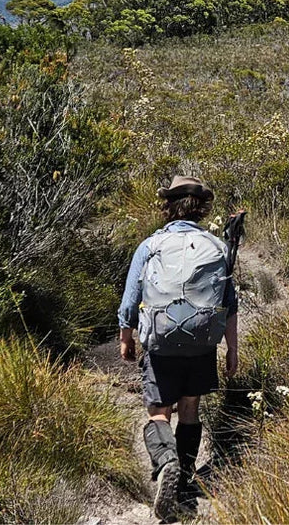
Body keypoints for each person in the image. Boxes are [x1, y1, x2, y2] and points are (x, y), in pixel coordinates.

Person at [118, 175, 241, 520]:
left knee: (159, 411)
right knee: (190, 409)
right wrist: (232, 349)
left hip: (161, 341)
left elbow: (131, 300)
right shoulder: (217, 248)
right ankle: (185, 478)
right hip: (202, 344)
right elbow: (229, 304)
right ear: (201, 209)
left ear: (169, 206)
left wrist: (126, 338)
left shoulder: (151, 245)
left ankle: (166, 461)